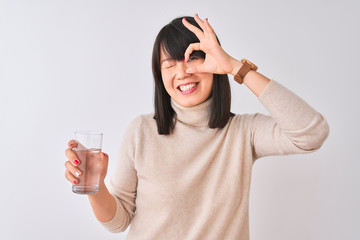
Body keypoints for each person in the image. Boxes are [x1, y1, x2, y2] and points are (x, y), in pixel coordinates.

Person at [64, 14, 329, 240]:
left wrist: (236, 67)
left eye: (193, 59)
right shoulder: (141, 131)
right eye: (170, 65)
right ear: (160, 76)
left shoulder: (242, 131)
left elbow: (312, 133)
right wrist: (96, 185)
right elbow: (118, 221)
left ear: (215, 65)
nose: (183, 73)